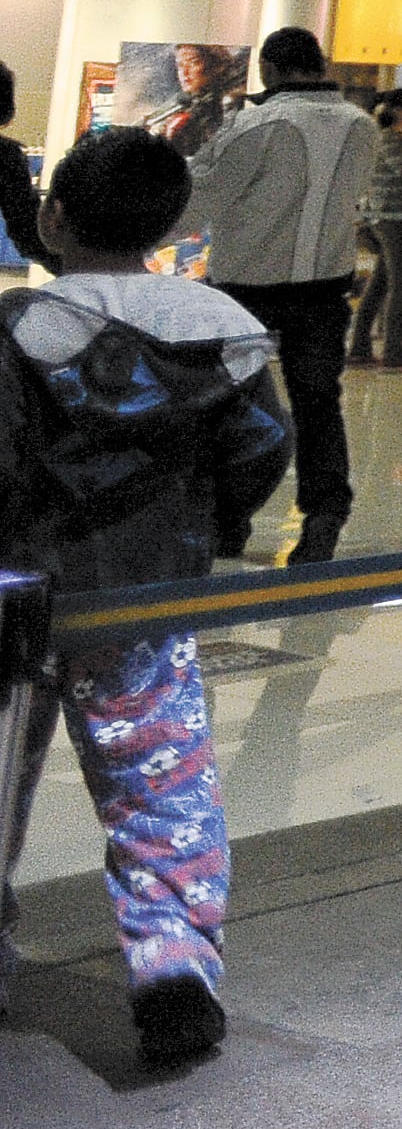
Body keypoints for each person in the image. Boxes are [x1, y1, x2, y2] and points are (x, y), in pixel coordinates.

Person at [0, 130, 291, 1068]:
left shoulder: (20, 328)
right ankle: (174, 973)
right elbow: (261, 450)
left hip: (20, 598)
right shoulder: (223, 331)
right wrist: (207, 526)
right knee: (162, 783)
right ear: (169, 226)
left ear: (52, 217)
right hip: (147, 595)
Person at [184, 27, 375, 566]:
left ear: (268, 67)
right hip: (325, 286)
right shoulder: (362, 125)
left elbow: (203, 196)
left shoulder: (256, 124)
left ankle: (229, 518)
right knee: (319, 404)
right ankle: (325, 515)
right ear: (320, 64)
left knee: (229, 401)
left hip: (246, 288)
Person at [349, 90, 402, 368]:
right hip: (392, 216)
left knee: (381, 282)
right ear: (396, 110)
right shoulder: (390, 138)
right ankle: (393, 350)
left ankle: (360, 345)